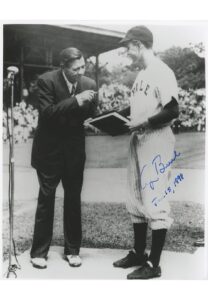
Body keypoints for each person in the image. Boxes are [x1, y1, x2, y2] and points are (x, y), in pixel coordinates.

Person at [113, 26, 179, 279]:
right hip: (139, 138)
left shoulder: (162, 71)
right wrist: (109, 118)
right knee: (135, 196)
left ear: (139, 45)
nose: (126, 52)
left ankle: (154, 265)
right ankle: (139, 253)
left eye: (127, 47)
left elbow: (172, 111)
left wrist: (141, 123)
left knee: (154, 199)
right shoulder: (143, 74)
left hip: (156, 139)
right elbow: (139, 107)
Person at [30, 47, 97, 269]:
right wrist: (75, 101)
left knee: (73, 199)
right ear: (63, 67)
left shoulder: (89, 84)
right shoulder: (46, 81)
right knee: (46, 200)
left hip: (74, 152)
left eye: (83, 66)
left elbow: (91, 114)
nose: (81, 71)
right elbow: (47, 114)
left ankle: (73, 250)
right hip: (49, 152)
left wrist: (92, 122)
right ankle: (39, 252)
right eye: (76, 68)